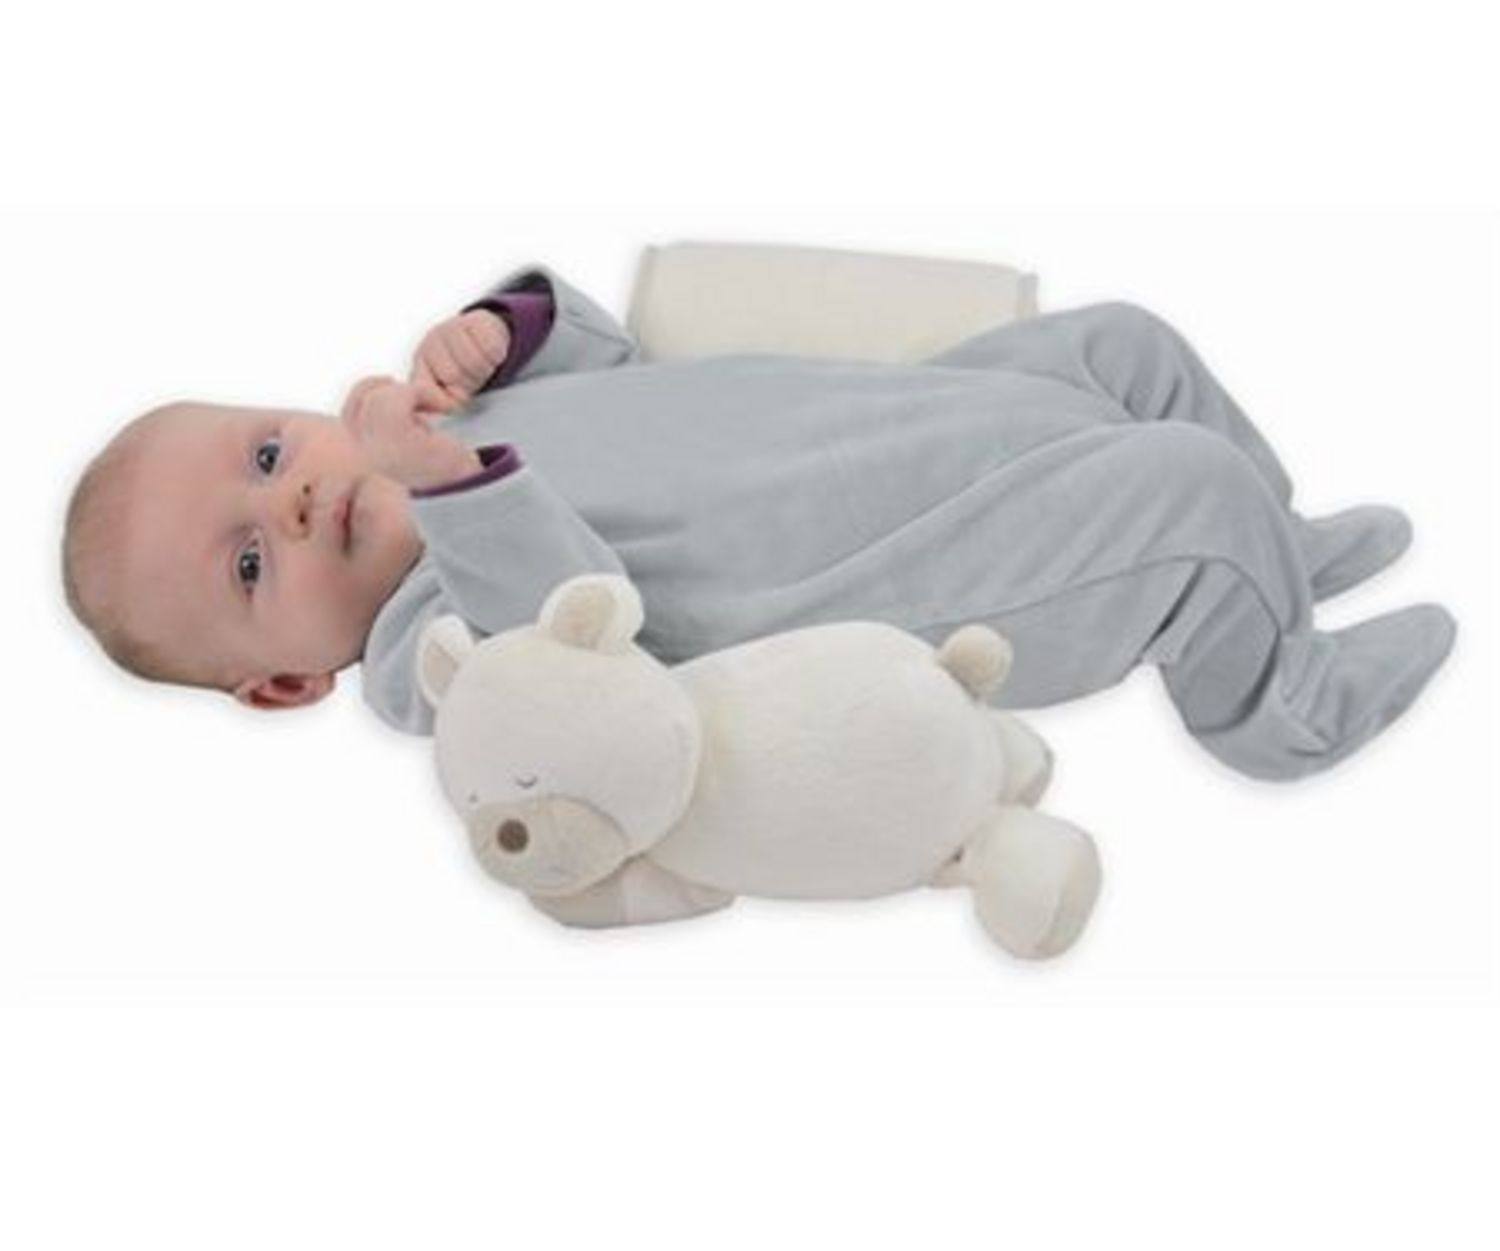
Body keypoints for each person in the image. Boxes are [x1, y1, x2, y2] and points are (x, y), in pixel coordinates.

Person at [61, 262, 1457, 783]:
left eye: (264, 454)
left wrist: (502, 329)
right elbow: (570, 635)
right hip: (922, 561)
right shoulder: (434, 660)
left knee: (1125, 345)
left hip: (912, 425)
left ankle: (1282, 553)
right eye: (252, 559)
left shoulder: (448, 418)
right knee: (1182, 495)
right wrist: (443, 482)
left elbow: (608, 354)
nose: (293, 497)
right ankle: (1276, 705)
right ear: (285, 681)